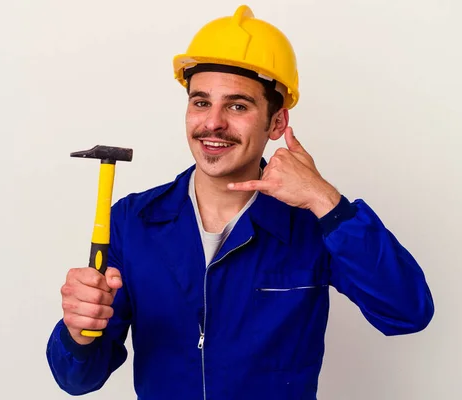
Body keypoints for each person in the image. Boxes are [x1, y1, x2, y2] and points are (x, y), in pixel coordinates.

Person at [46, 5, 434, 399]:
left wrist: (324, 199)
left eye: (237, 105)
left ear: (277, 123)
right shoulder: (134, 222)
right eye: (201, 102)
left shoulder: (314, 224)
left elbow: (406, 312)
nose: (213, 122)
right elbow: (78, 380)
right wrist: (78, 332)